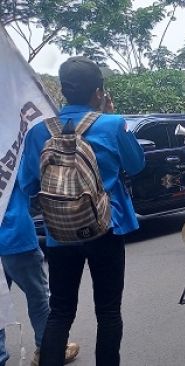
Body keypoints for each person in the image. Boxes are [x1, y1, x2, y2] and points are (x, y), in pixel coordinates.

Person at [19, 56, 145, 366]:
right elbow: (136, 165)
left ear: (63, 90)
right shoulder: (113, 124)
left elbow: (28, 182)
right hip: (107, 226)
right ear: (99, 92)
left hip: (60, 231)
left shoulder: (39, 132)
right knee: (108, 310)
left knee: (61, 310)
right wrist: (112, 117)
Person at [0, 181, 80, 366]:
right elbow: (34, 181)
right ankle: (47, 349)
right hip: (16, 233)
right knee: (38, 296)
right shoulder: (15, 153)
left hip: (13, 234)